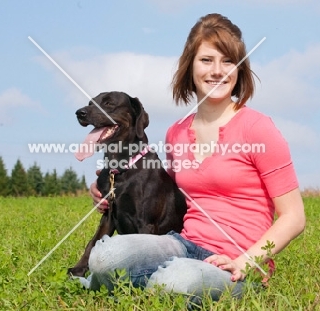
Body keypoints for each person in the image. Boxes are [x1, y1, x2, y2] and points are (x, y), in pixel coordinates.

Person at [81, 13, 306, 304]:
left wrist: (247, 261)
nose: (217, 71)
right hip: (181, 245)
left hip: (234, 263)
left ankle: (135, 285)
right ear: (190, 67)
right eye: (206, 60)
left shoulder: (258, 128)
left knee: (176, 279)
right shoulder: (176, 133)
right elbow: (162, 196)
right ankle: (144, 282)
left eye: (227, 61)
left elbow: (294, 217)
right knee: (105, 255)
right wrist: (108, 188)